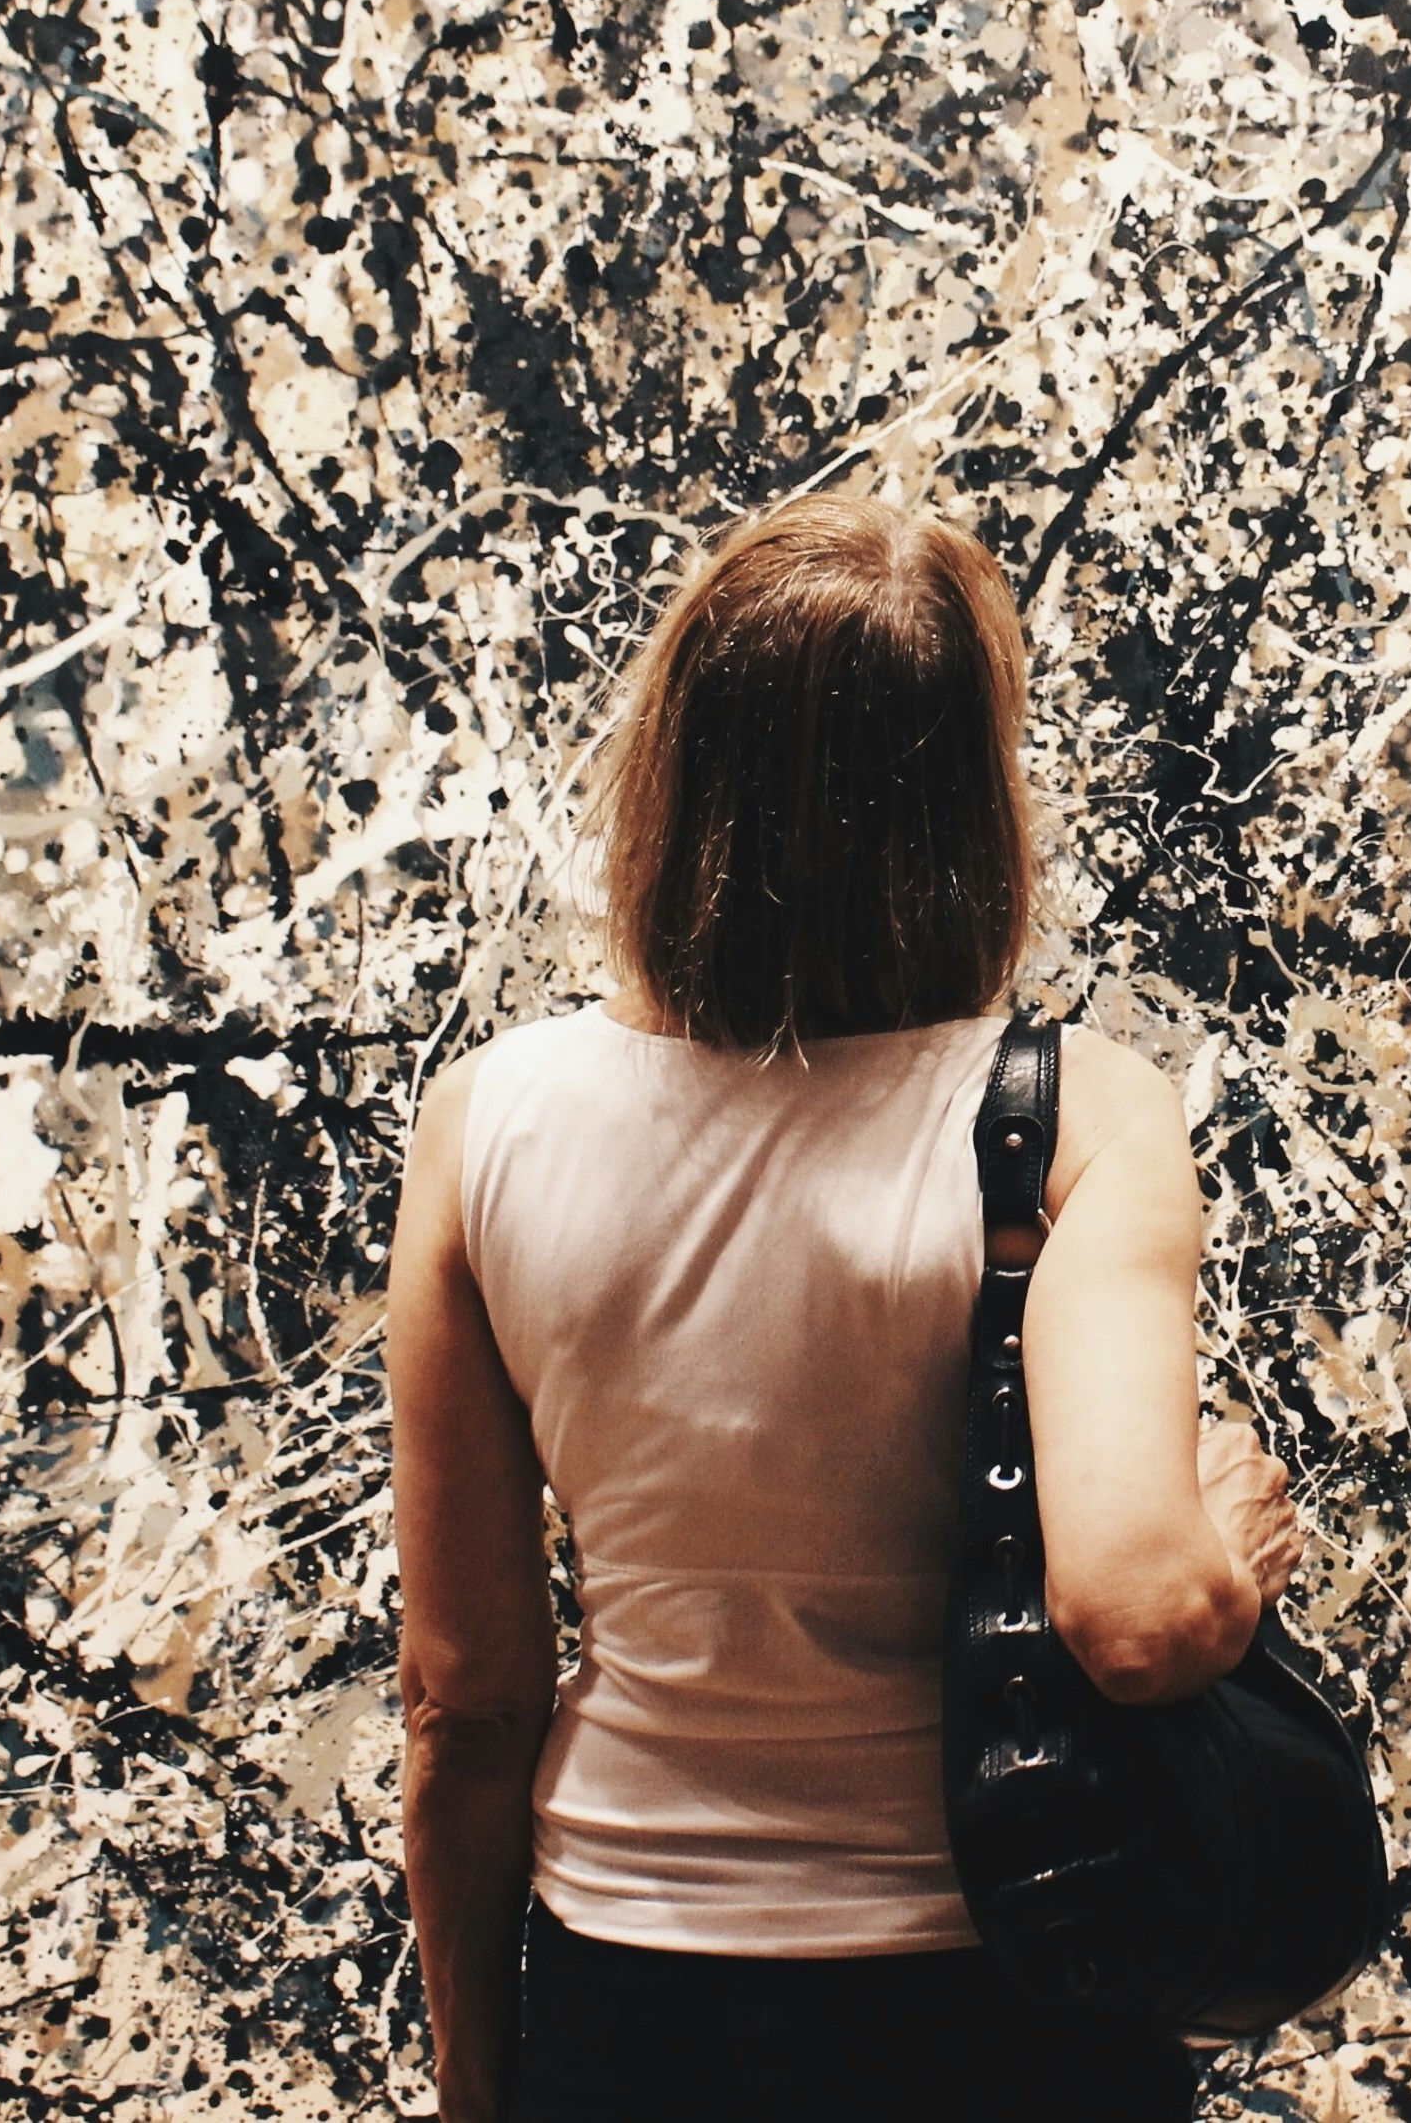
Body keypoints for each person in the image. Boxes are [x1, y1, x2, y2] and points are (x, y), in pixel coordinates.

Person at [386, 495, 1302, 2123]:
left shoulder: (484, 1126)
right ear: (973, 799)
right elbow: (1144, 1617)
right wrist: (1227, 1544)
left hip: (636, 2002)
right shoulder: (1076, 1115)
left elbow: (466, 1705)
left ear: (672, 773)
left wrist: (474, 2085)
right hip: (999, 1999)